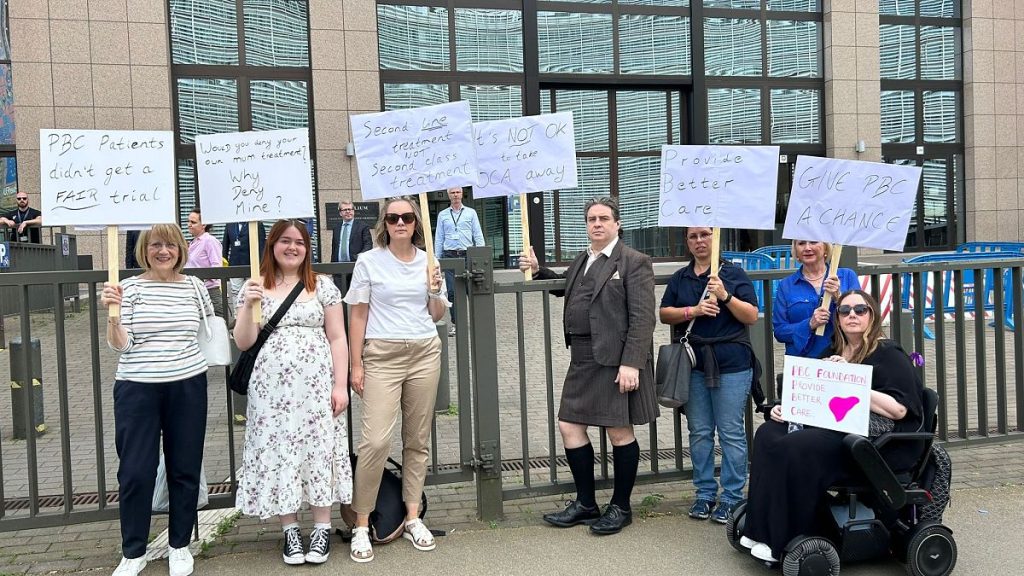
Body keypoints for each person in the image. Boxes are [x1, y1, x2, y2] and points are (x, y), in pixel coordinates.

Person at [741, 290, 924, 563]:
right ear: (837, 318)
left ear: (872, 315)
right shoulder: (835, 350)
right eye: (845, 310)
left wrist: (849, 379)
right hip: (836, 429)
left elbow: (898, 410)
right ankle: (759, 528)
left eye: (860, 310)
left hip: (873, 443)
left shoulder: (889, 353)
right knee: (768, 433)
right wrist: (786, 407)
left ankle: (783, 539)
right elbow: (814, 394)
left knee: (797, 447)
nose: (852, 315)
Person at [518, 197, 658, 536]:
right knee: (569, 425)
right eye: (591, 219)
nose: (597, 224)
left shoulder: (634, 262)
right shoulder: (583, 258)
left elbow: (642, 319)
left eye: (603, 218)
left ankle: (621, 508)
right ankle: (586, 504)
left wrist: (631, 364)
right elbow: (566, 287)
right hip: (582, 358)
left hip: (615, 360)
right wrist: (538, 269)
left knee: (619, 432)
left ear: (617, 223)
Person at [233, 220, 352, 566]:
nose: (292, 247)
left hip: (316, 390)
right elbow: (243, 342)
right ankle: (289, 529)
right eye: (285, 241)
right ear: (272, 245)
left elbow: (338, 337)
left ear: (307, 249)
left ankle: (321, 526)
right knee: (281, 450)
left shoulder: (323, 287)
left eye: (299, 242)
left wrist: (339, 384)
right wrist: (247, 305)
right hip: (272, 393)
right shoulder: (255, 287)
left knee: (319, 450)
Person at [100, 224, 214, 576]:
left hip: (188, 385)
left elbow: (207, 328)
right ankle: (133, 551)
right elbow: (120, 345)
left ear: (181, 249)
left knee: (184, 467)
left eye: (170, 245)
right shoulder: (129, 288)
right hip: (138, 387)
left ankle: (179, 544)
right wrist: (113, 317)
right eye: (155, 245)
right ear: (144, 250)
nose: (163, 251)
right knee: (135, 471)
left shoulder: (195, 287)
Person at [344, 197, 448, 562]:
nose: (400, 223)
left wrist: (435, 288)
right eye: (393, 218)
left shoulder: (428, 261)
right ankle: (361, 523)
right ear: (384, 223)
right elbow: (358, 316)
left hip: (423, 352)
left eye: (406, 217)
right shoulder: (369, 261)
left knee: (417, 439)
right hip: (382, 355)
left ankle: (413, 515)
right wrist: (355, 364)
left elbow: (436, 314)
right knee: (375, 441)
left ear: (416, 223)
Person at [659, 226, 760, 524]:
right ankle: (704, 493)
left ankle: (731, 496)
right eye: (693, 237)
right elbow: (665, 313)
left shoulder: (733, 274)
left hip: (732, 363)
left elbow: (751, 316)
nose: (699, 241)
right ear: (687, 243)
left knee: (730, 433)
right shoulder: (682, 277)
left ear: (715, 239)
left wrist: (725, 296)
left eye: (705, 235)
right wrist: (693, 311)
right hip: (694, 364)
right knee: (700, 432)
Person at [772, 240, 860, 359]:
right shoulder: (786, 285)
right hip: (803, 364)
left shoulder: (847, 276)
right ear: (795, 251)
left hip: (841, 359)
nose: (807, 248)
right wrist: (809, 324)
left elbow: (861, 316)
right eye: (801, 243)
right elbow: (780, 331)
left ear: (825, 248)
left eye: (813, 242)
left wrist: (839, 297)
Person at [434, 186, 484, 337]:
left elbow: (478, 234)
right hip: (450, 256)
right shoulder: (443, 215)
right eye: (453, 193)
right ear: (448, 195)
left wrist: (481, 257)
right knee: (451, 292)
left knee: (472, 290)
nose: (455, 195)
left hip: (467, 255)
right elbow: (439, 238)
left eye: (458, 192)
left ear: (462, 194)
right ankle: (457, 323)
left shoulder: (471, 213)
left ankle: (477, 323)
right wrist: (437, 260)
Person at [223, 221, 267, 319]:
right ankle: (237, 318)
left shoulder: (257, 224)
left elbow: (262, 246)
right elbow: (225, 246)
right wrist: (224, 263)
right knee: (235, 292)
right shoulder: (230, 224)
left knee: (252, 291)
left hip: (252, 265)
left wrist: (262, 266)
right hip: (234, 265)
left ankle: (253, 317)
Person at [186, 209, 226, 318]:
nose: (189, 225)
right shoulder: (194, 242)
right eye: (188, 221)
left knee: (217, 325)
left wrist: (203, 279)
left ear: (203, 224)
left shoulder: (210, 241)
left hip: (209, 291)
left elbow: (216, 267)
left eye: (193, 222)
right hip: (195, 291)